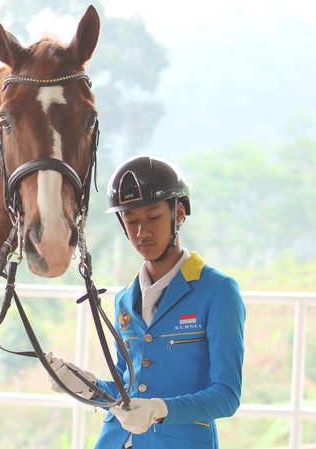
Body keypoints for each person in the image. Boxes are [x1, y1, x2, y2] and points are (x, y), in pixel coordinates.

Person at [48, 155, 246, 449]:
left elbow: (226, 396)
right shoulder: (124, 300)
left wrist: (160, 410)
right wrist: (87, 386)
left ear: (178, 213)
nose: (142, 233)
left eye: (153, 217)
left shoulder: (218, 291)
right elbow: (126, 391)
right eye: (131, 221)